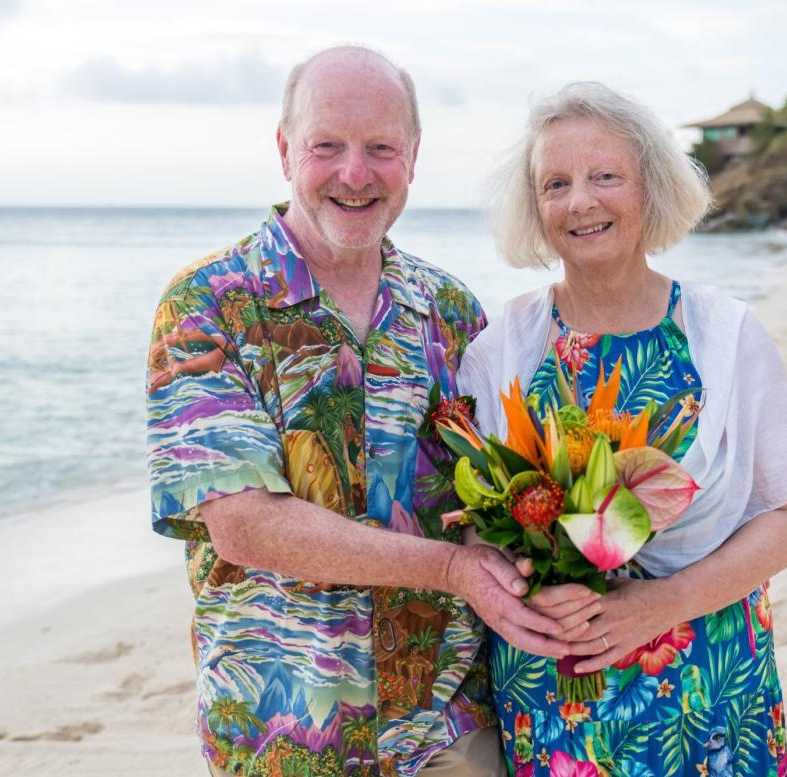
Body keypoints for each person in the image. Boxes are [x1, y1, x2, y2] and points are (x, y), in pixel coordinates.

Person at [145, 46, 573, 777]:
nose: (354, 173)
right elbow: (244, 524)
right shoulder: (207, 305)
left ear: (413, 158)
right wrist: (454, 570)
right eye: (327, 146)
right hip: (283, 738)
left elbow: (499, 500)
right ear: (285, 151)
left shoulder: (450, 310)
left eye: (380, 148)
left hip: (450, 730)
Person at [457, 82, 787, 777]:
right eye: (556, 183)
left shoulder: (727, 334)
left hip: (711, 676)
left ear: (650, 188)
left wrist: (660, 603)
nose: (581, 201)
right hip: (558, 686)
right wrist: (530, 582)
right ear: (534, 209)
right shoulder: (501, 347)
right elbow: (477, 521)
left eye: (606, 176)